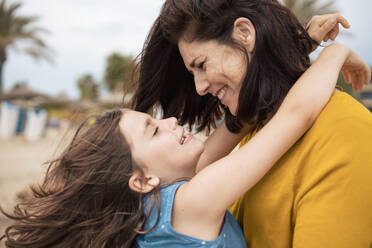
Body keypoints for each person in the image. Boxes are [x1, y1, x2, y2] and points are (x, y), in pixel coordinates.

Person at [131, 0, 372, 247]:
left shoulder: (343, 134)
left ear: (244, 33)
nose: (200, 87)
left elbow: (259, 114)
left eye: (201, 65)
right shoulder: (198, 191)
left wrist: (294, 48)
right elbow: (295, 113)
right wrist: (333, 53)